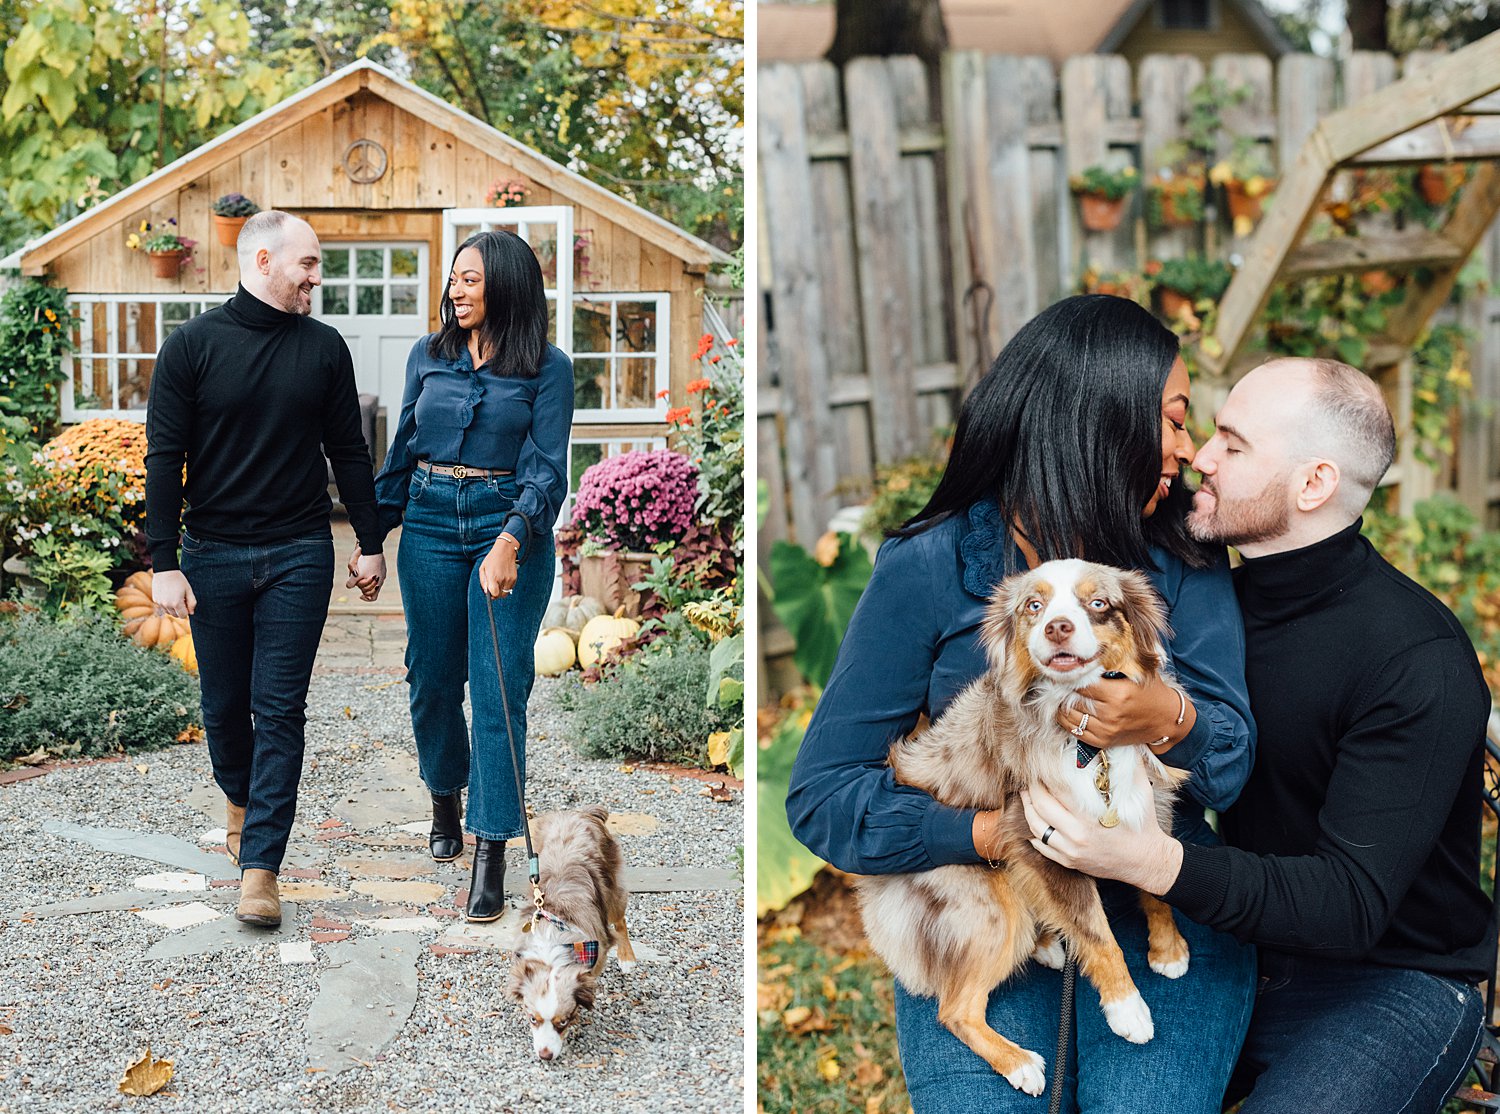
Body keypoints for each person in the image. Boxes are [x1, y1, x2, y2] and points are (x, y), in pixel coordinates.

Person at [786, 294, 1258, 1113]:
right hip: (987, 896)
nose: (1188, 447)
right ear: (1097, 426)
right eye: (1174, 419)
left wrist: (1167, 718)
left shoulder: (1178, 559)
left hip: (1160, 895)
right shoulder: (929, 567)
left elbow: (1232, 767)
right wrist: (986, 833)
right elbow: (823, 796)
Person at [1023, 356, 1492, 1114]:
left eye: (1233, 447)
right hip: (1228, 944)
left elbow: (1348, 905)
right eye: (1210, 434)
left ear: (1313, 484)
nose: (1199, 457)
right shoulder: (1205, 613)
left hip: (1392, 980)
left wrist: (1148, 861)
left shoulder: (1414, 659)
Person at [146, 210, 387, 928]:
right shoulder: (190, 347)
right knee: (223, 708)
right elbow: (164, 458)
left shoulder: (324, 349)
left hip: (298, 553)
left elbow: (350, 452)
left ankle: (261, 869)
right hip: (213, 553)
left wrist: (369, 543)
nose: (318, 277)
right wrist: (164, 562)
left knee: (279, 710)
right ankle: (240, 798)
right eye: (308, 264)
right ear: (261, 261)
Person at [369, 229, 573, 922]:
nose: (455, 289)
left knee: (496, 686)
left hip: (505, 520)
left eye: (471, 279)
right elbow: (402, 448)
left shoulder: (549, 368)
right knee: (429, 678)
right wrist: (373, 538)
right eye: (454, 278)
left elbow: (547, 467)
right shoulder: (427, 356)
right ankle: (443, 797)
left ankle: (491, 848)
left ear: (507, 286)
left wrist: (513, 538)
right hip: (428, 519)